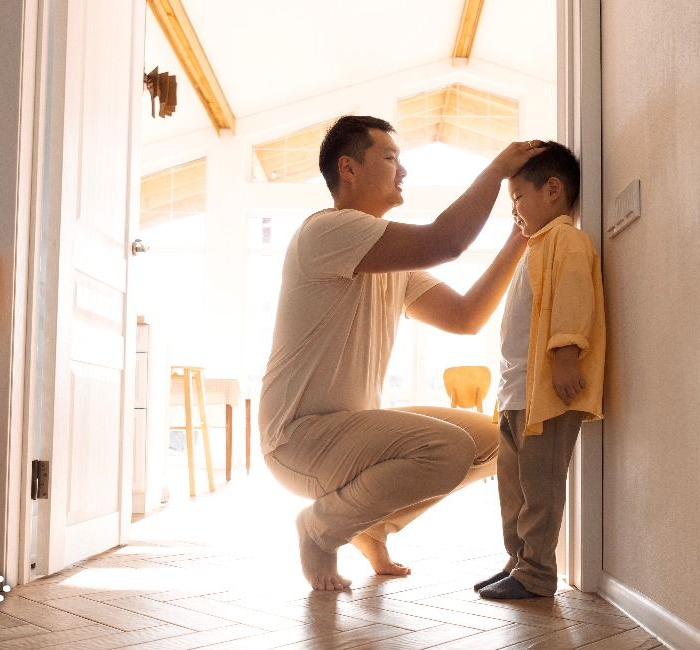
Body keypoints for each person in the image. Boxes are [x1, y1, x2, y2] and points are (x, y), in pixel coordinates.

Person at [259, 115, 546, 591]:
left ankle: (372, 525)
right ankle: (319, 529)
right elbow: (446, 241)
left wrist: (521, 236)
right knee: (448, 448)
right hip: (297, 439)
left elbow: (465, 316)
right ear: (348, 170)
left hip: (344, 434)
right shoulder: (328, 231)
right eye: (390, 158)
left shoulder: (389, 260)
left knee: (492, 439)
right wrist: (497, 169)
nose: (403, 172)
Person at [474, 141, 606, 600]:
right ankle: (517, 561)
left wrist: (566, 354)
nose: (514, 210)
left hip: (545, 396)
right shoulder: (535, 246)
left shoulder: (567, 242)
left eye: (517, 198)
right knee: (513, 487)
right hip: (516, 393)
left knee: (540, 487)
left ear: (553, 190)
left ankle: (536, 573)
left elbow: (573, 298)